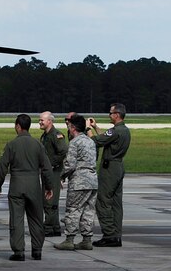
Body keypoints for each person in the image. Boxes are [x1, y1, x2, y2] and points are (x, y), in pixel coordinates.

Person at [0, 114, 54, 261]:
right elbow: (46, 167)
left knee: (17, 219)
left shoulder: (11, 145)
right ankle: (37, 250)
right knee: (36, 219)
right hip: (34, 185)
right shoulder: (37, 144)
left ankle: (19, 251)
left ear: (18, 126)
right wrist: (49, 186)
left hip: (17, 185)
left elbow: (2, 166)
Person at [87, 102, 131, 247]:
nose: (109, 115)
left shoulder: (115, 131)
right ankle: (116, 234)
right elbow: (107, 138)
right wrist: (96, 127)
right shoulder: (124, 130)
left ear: (117, 115)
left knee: (103, 200)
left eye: (111, 113)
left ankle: (109, 234)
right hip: (118, 166)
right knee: (116, 203)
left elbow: (97, 141)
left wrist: (87, 129)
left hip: (110, 169)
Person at [55, 114, 97, 251]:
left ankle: (69, 239)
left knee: (73, 209)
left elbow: (70, 164)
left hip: (79, 181)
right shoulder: (90, 141)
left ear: (73, 127)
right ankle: (87, 239)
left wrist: (61, 176)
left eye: (69, 126)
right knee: (88, 210)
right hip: (92, 180)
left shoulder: (75, 142)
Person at [38, 111, 68, 236]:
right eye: (39, 120)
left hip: (54, 172)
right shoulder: (45, 136)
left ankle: (48, 227)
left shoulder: (56, 135)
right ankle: (55, 227)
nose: (39, 122)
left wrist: (51, 163)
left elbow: (63, 151)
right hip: (47, 172)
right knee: (50, 200)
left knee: (49, 201)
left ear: (49, 121)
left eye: (42, 120)